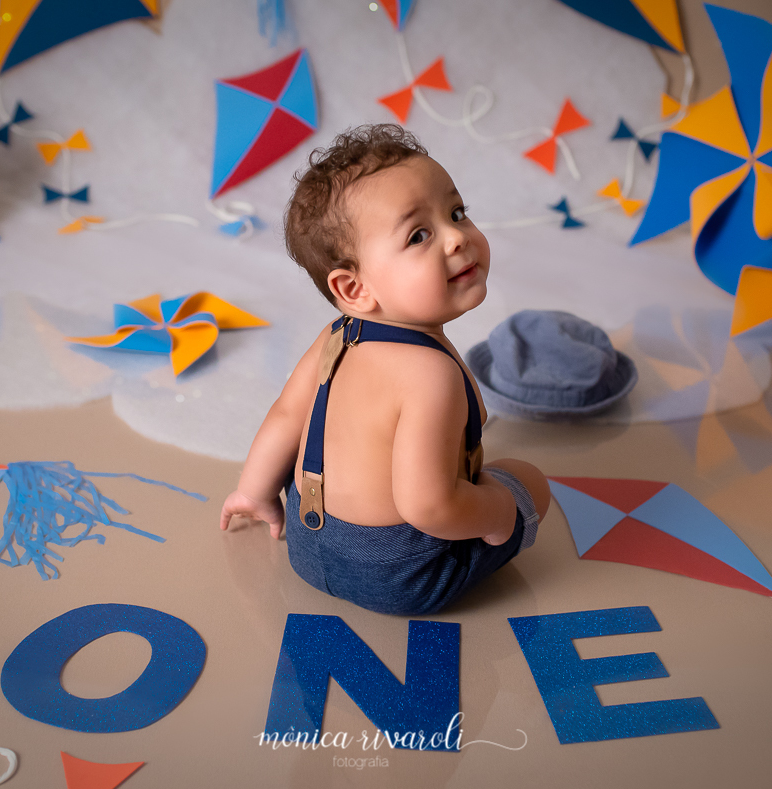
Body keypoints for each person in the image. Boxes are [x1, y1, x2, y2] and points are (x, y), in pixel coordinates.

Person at [219, 124, 550, 615]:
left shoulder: (336, 336)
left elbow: (286, 416)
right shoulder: (429, 375)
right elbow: (427, 506)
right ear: (354, 289)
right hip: (401, 577)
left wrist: (254, 492)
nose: (457, 238)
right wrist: (497, 512)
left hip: (307, 546)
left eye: (456, 213)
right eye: (419, 235)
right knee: (527, 480)